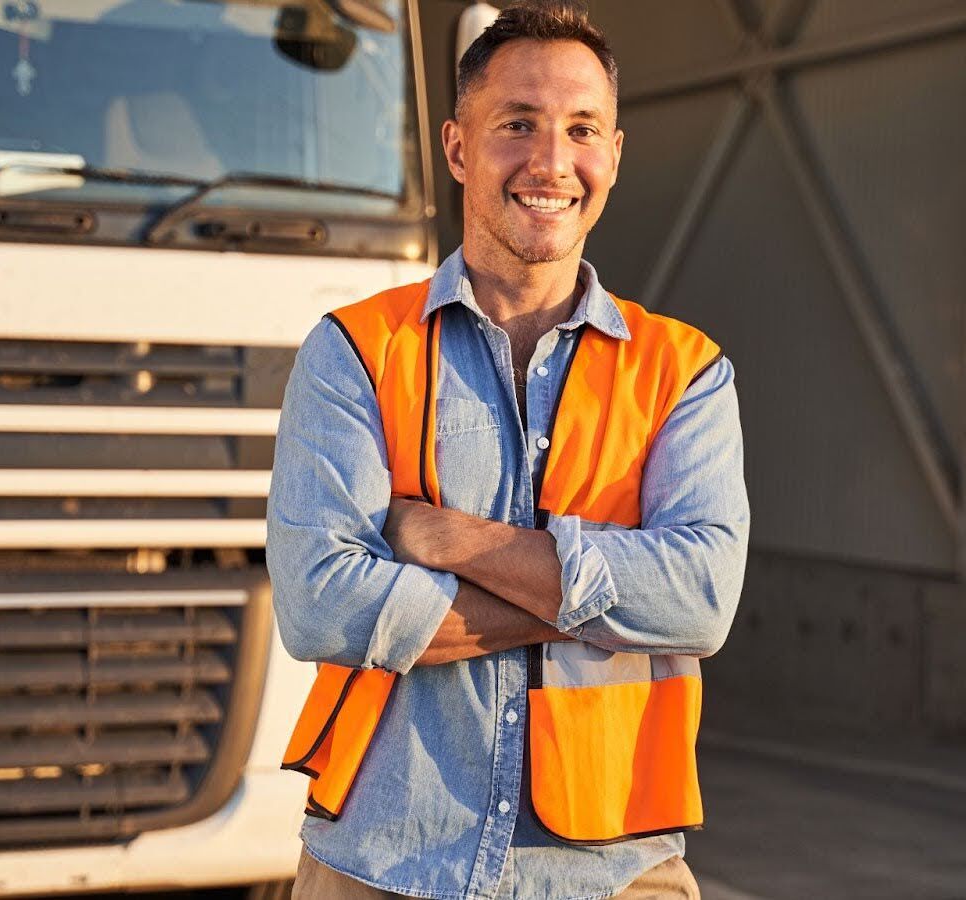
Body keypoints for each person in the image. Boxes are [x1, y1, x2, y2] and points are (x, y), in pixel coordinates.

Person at [265, 2, 749, 897]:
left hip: (614, 871)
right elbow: (320, 605)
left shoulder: (684, 372)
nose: (550, 161)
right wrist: (599, 599)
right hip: (380, 861)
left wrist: (455, 543)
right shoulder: (355, 351)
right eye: (516, 125)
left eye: (581, 130)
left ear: (612, 155)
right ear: (456, 149)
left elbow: (703, 599)